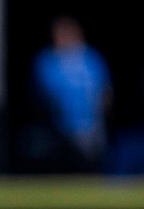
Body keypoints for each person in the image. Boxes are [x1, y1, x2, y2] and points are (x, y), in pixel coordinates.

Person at [31, 16, 113, 170]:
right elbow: (42, 94)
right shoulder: (47, 60)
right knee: (63, 167)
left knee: (92, 165)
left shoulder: (92, 58)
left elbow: (105, 90)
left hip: (91, 125)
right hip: (59, 127)